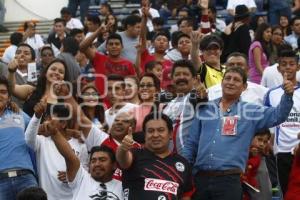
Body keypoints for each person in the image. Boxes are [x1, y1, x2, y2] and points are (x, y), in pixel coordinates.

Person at [183, 66, 294, 200]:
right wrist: (183, 171)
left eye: (236, 80)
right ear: (221, 82)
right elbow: (191, 144)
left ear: (244, 86)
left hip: (229, 180)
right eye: (228, 78)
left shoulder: (251, 111)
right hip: (200, 179)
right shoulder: (205, 107)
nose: (230, 82)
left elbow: (278, 115)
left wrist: (287, 95)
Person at [116, 112, 194, 199]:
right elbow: (122, 160)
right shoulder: (134, 155)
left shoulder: (183, 163)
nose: (155, 135)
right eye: (150, 131)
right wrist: (123, 148)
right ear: (145, 135)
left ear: (171, 134)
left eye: (160, 130)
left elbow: (186, 195)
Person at [25, 103, 89, 200]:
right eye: (46, 118)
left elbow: (85, 171)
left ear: (63, 123)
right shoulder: (41, 141)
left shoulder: (80, 144)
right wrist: (37, 117)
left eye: (50, 119)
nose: (46, 122)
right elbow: (28, 139)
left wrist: (72, 175)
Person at [263, 48, 300, 196]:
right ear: (278, 68)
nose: (288, 67)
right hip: (283, 151)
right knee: (287, 191)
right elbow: (267, 121)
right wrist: (268, 141)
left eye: (292, 64)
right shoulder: (271, 94)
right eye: (284, 64)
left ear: (298, 67)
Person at [0, 75, 38, 200]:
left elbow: (40, 131)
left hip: (26, 177)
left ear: (9, 97)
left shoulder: (20, 114)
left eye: (3, 92)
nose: (0, 95)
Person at [163, 59, 207, 155]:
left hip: (190, 159)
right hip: (169, 161)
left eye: (186, 74)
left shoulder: (193, 96)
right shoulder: (167, 106)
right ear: (172, 79)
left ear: (194, 79)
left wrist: (201, 94)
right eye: (177, 74)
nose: (181, 77)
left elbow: (202, 99)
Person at [80, 28, 136, 97]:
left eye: (117, 44)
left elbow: (133, 85)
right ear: (106, 47)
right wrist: (98, 31)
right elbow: (82, 47)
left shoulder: (129, 64)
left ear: (122, 47)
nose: (114, 46)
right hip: (100, 103)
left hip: (121, 103)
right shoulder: (99, 58)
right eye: (111, 44)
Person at [242, 130, 272, 200]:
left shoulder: (264, 158)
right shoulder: (243, 155)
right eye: (259, 139)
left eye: (265, 142)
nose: (261, 144)